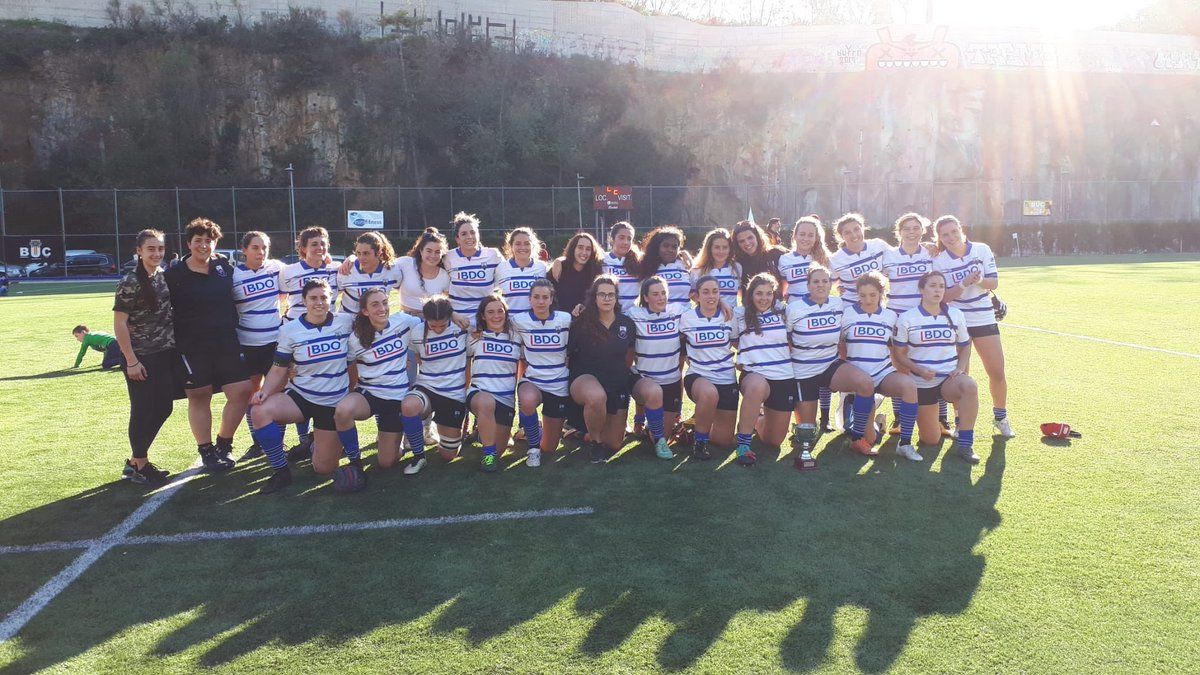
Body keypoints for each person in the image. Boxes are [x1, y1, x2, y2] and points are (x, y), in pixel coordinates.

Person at [248, 279, 357, 494]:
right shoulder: (290, 330)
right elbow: (278, 368)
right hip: (302, 397)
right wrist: (265, 391)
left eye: (324, 297)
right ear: (304, 301)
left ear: (331, 298)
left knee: (324, 469)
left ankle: (314, 442)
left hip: (334, 403)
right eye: (313, 298)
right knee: (259, 411)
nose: (319, 302)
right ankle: (281, 471)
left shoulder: (345, 322)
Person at [164, 218, 251, 472]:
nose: (204, 245)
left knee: (242, 391)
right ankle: (206, 451)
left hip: (226, 342)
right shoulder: (174, 274)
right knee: (199, 396)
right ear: (189, 243)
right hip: (192, 347)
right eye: (198, 241)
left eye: (209, 240)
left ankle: (224, 444)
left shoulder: (224, 267)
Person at [932, 215, 1014, 438]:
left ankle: (1000, 417)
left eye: (953, 231)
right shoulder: (939, 262)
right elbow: (944, 298)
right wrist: (963, 282)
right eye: (944, 235)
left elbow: (993, 283)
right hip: (958, 321)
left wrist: (977, 281)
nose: (950, 237)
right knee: (961, 376)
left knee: (996, 371)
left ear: (961, 229)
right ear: (939, 238)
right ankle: (961, 423)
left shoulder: (981, 249)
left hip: (984, 318)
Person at [787, 265, 877, 458]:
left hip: (830, 364)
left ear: (831, 284)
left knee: (866, 383)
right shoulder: (794, 309)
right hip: (804, 371)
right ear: (808, 285)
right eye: (816, 281)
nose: (820, 285)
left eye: (825, 281)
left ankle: (857, 437)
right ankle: (802, 426)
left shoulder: (838, 304)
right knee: (807, 435)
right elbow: (785, 339)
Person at [893, 271, 981, 463]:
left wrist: (960, 366)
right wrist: (919, 370)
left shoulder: (955, 314)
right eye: (932, 285)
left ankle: (965, 444)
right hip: (922, 383)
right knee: (931, 440)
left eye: (941, 286)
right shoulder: (907, 318)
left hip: (949, 378)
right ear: (921, 289)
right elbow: (899, 355)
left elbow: (965, 345)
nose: (938, 290)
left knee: (970, 386)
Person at [112, 229, 178, 485]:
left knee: (164, 406)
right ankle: (139, 464)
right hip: (140, 357)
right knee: (142, 410)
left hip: (163, 354)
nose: (156, 253)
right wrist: (131, 360)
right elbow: (119, 324)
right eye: (150, 249)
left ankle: (135, 461)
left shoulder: (161, 275)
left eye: (160, 248)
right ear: (139, 251)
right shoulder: (130, 281)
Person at [335, 288, 422, 472]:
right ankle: (354, 462)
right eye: (375, 304)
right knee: (343, 410)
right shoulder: (355, 338)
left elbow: (431, 319)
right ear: (365, 311)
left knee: (386, 463)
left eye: (384, 302)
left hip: (396, 398)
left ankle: (396, 444)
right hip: (369, 394)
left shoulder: (404, 322)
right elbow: (349, 363)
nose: (382, 308)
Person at [840, 272, 921, 461]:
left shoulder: (891, 316)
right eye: (863, 295)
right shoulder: (848, 313)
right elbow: (841, 344)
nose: (867, 300)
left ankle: (905, 443)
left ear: (881, 294)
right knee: (871, 438)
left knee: (909, 386)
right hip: (858, 376)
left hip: (882, 373)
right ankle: (861, 436)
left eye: (873, 295)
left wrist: (906, 370)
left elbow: (896, 350)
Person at [880, 213, 946, 436]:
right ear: (898, 232)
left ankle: (942, 419)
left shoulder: (930, 252)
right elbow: (875, 281)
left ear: (922, 230)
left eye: (916, 227)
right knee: (900, 365)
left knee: (933, 362)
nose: (911, 232)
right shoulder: (887, 256)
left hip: (924, 316)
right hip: (897, 316)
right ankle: (899, 418)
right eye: (906, 228)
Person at [280, 226, 340, 458]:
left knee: (325, 384)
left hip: (327, 335)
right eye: (314, 244)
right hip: (295, 337)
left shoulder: (336, 269)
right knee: (295, 382)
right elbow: (277, 297)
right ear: (302, 248)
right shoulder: (287, 271)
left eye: (323, 243)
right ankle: (303, 440)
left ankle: (318, 438)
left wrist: (352, 257)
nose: (319, 248)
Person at [567, 275, 637, 463]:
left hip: (615, 383)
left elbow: (629, 356)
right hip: (585, 380)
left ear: (616, 298)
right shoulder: (581, 322)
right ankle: (595, 444)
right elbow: (568, 356)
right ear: (594, 297)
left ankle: (584, 432)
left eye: (611, 295)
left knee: (614, 444)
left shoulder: (626, 324)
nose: (607, 299)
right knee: (597, 397)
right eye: (602, 294)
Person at [398, 295, 470, 473]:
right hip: (427, 387)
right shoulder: (416, 332)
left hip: (453, 394)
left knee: (448, 455)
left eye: (442, 325)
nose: (437, 329)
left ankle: (442, 434)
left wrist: (454, 315)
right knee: (408, 405)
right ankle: (418, 456)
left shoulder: (463, 327)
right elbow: (415, 355)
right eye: (433, 326)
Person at [231, 231, 286, 459]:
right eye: (255, 247)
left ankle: (277, 443)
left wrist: (350, 260)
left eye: (264, 247)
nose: (260, 252)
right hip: (247, 344)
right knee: (251, 395)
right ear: (244, 250)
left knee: (277, 393)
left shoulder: (276, 268)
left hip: (275, 342)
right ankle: (258, 442)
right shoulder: (233, 276)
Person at [731, 273, 794, 465]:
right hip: (754, 374)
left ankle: (757, 418)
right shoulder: (739, 314)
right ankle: (743, 443)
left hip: (783, 377)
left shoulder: (783, 312)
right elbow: (733, 341)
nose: (764, 298)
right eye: (759, 293)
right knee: (757, 386)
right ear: (750, 294)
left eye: (768, 293)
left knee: (773, 441)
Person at [626, 276, 689, 460]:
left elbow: (703, 310)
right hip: (645, 381)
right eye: (655, 294)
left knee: (657, 434)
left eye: (663, 293)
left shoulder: (677, 311)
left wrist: (724, 306)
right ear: (645, 297)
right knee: (659, 437)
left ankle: (653, 429)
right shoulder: (634, 315)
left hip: (671, 381)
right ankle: (646, 425)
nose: (661, 298)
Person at [511, 278, 572, 467]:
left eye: (545, 297)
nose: (540, 301)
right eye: (536, 297)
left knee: (550, 448)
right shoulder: (518, 320)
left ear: (551, 299)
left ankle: (537, 435)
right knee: (527, 400)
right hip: (533, 380)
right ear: (529, 299)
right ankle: (532, 448)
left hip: (559, 384)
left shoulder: (566, 319)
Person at [680, 275, 738, 460]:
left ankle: (691, 429)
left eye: (715, 291)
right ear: (697, 295)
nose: (711, 296)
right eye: (705, 292)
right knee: (709, 394)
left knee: (724, 440)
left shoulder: (729, 316)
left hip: (726, 378)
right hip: (698, 376)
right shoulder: (686, 318)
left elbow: (738, 342)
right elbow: (679, 346)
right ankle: (700, 442)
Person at [465, 293, 522, 472]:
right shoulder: (475, 337)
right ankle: (487, 455)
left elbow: (522, 369)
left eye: (500, 311)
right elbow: (465, 366)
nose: (496, 316)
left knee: (500, 449)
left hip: (505, 398)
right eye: (490, 312)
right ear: (482, 316)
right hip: (480, 393)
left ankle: (486, 437)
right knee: (486, 403)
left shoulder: (516, 338)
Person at [444, 212, 502, 326]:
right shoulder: (448, 258)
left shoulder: (493, 255)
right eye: (464, 234)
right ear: (457, 238)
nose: (469, 237)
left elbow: (504, 283)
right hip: (458, 322)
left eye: (473, 232)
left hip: (486, 322)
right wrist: (452, 314)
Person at [828, 213, 890, 305]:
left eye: (856, 229)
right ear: (841, 236)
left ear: (863, 228)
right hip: (850, 308)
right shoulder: (835, 259)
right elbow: (826, 286)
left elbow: (895, 265)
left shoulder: (879, 245)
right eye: (847, 232)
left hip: (877, 307)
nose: (853, 235)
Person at [337, 231, 400, 316]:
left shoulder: (392, 270)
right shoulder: (346, 270)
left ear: (379, 252)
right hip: (349, 322)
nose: (361, 258)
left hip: (378, 322)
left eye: (366, 253)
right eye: (358, 253)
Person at [396, 227, 451, 316]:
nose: (433, 255)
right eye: (429, 251)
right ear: (421, 251)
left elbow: (446, 304)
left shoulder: (444, 275)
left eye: (437, 252)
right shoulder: (405, 263)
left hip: (431, 320)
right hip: (405, 317)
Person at [777, 216, 831, 303]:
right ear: (795, 236)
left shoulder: (824, 258)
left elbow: (834, 284)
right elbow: (783, 289)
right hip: (795, 310)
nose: (805, 239)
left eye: (810, 235)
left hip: (820, 309)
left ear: (816, 238)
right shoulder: (784, 260)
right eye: (802, 234)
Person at [495, 227, 549, 313]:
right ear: (511, 246)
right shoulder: (501, 268)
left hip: (533, 324)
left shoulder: (542, 268)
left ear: (533, 245)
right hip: (510, 323)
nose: (522, 247)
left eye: (527, 243)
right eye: (518, 244)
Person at [634, 226, 692, 305]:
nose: (670, 250)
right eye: (665, 246)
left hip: (684, 316)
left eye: (674, 247)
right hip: (657, 316)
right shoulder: (646, 265)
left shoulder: (686, 265)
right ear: (657, 247)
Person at [550, 231, 603, 314]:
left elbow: (595, 297)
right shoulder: (559, 268)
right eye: (580, 247)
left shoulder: (596, 271)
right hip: (560, 320)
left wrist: (583, 306)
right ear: (573, 248)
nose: (584, 252)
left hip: (585, 320)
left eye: (588, 249)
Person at [689, 228, 741, 306]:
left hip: (731, 316)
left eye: (725, 247)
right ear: (709, 249)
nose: (721, 251)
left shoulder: (737, 267)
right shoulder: (697, 270)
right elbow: (693, 295)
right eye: (717, 247)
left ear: (730, 249)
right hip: (708, 316)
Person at [731, 220, 786, 291]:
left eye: (750, 238)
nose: (747, 243)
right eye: (741, 241)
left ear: (757, 237)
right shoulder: (737, 263)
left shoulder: (777, 254)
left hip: (776, 301)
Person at [601, 221, 641, 311]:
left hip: (632, 317)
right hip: (608, 316)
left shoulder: (639, 261)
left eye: (629, 239)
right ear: (612, 239)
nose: (626, 242)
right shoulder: (602, 259)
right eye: (621, 238)